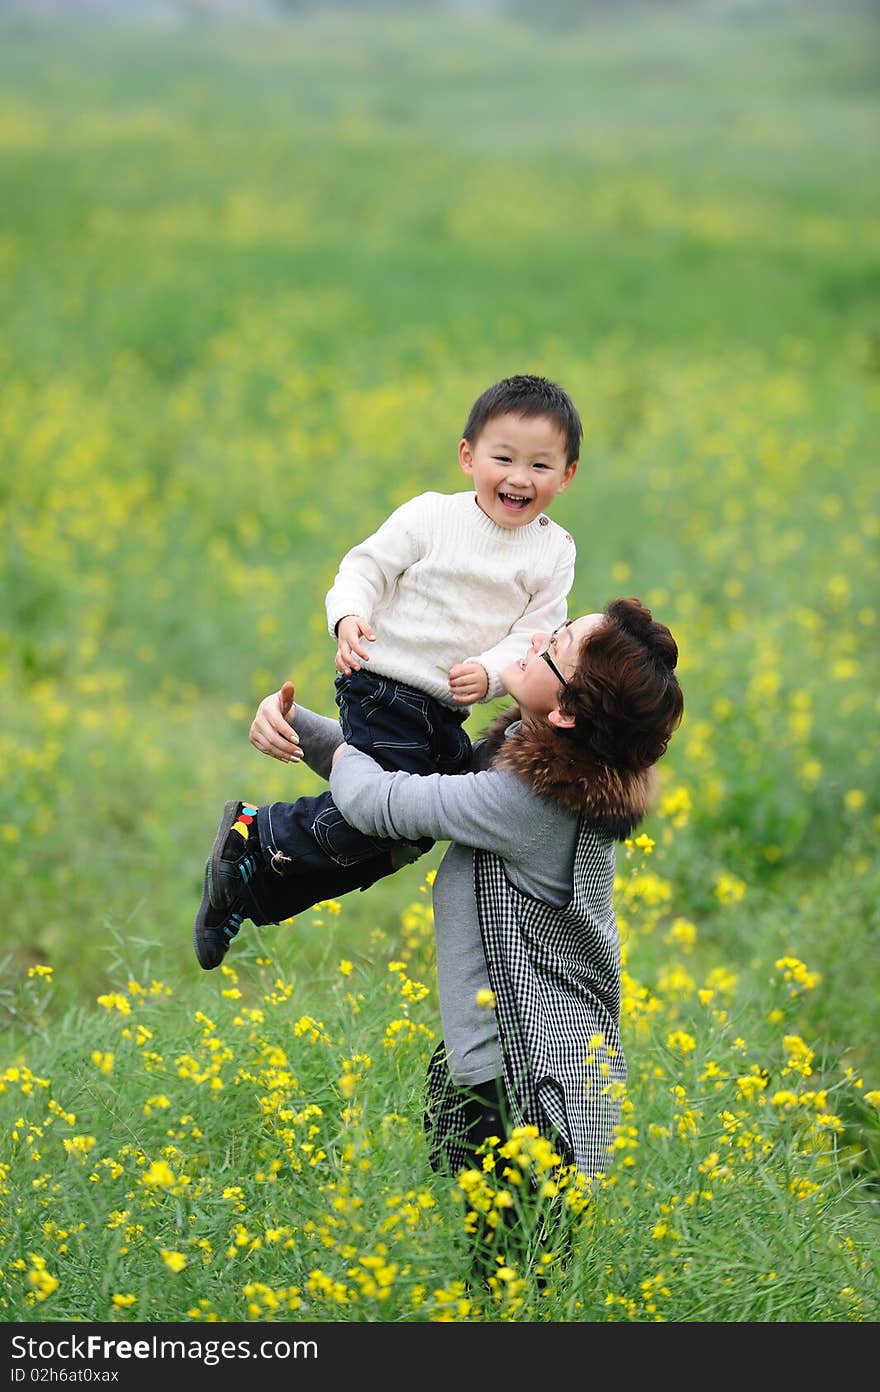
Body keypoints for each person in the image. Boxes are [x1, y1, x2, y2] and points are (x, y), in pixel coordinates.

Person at [230, 597, 684, 1279]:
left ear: (565, 714)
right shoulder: (534, 757)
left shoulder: (529, 803)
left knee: (514, 1289)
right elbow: (415, 784)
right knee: (505, 1280)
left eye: (553, 644)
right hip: (505, 1072)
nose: (533, 639)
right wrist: (295, 724)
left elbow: (379, 803)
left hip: (531, 1094)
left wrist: (348, 743)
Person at [193, 373, 583, 969]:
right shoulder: (431, 517)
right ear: (467, 455)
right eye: (503, 458)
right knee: (390, 807)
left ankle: (251, 889)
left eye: (540, 465)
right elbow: (365, 569)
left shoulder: (554, 551)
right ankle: (256, 833)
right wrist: (348, 617)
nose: (519, 478)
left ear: (567, 475)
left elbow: (534, 633)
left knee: (409, 835)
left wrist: (491, 672)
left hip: (446, 706)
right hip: (383, 682)